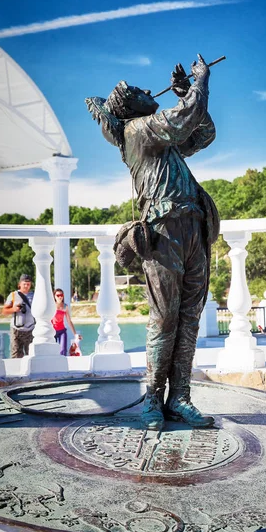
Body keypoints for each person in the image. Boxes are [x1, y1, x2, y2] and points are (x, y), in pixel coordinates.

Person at [87, 54, 219, 430]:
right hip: (162, 232)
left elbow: (202, 134)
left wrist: (184, 92)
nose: (148, 90)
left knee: (189, 317)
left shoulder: (162, 138)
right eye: (138, 91)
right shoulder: (138, 131)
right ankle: (151, 399)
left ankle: (180, 397)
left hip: (193, 227)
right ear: (129, 107)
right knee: (164, 319)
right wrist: (198, 84)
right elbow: (182, 119)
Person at [2, 274, 35, 358]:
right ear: (19, 284)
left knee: (31, 354)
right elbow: (4, 311)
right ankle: (15, 371)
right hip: (16, 330)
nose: (26, 286)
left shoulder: (35, 295)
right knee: (16, 355)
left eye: (28, 284)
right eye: (24, 284)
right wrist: (14, 309)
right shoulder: (13, 295)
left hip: (30, 329)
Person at [51, 288, 81, 356]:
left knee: (63, 350)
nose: (60, 297)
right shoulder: (52, 306)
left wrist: (75, 334)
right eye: (57, 295)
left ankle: (62, 365)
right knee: (53, 351)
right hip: (53, 332)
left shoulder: (65, 306)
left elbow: (69, 321)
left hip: (62, 331)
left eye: (61, 295)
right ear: (54, 296)